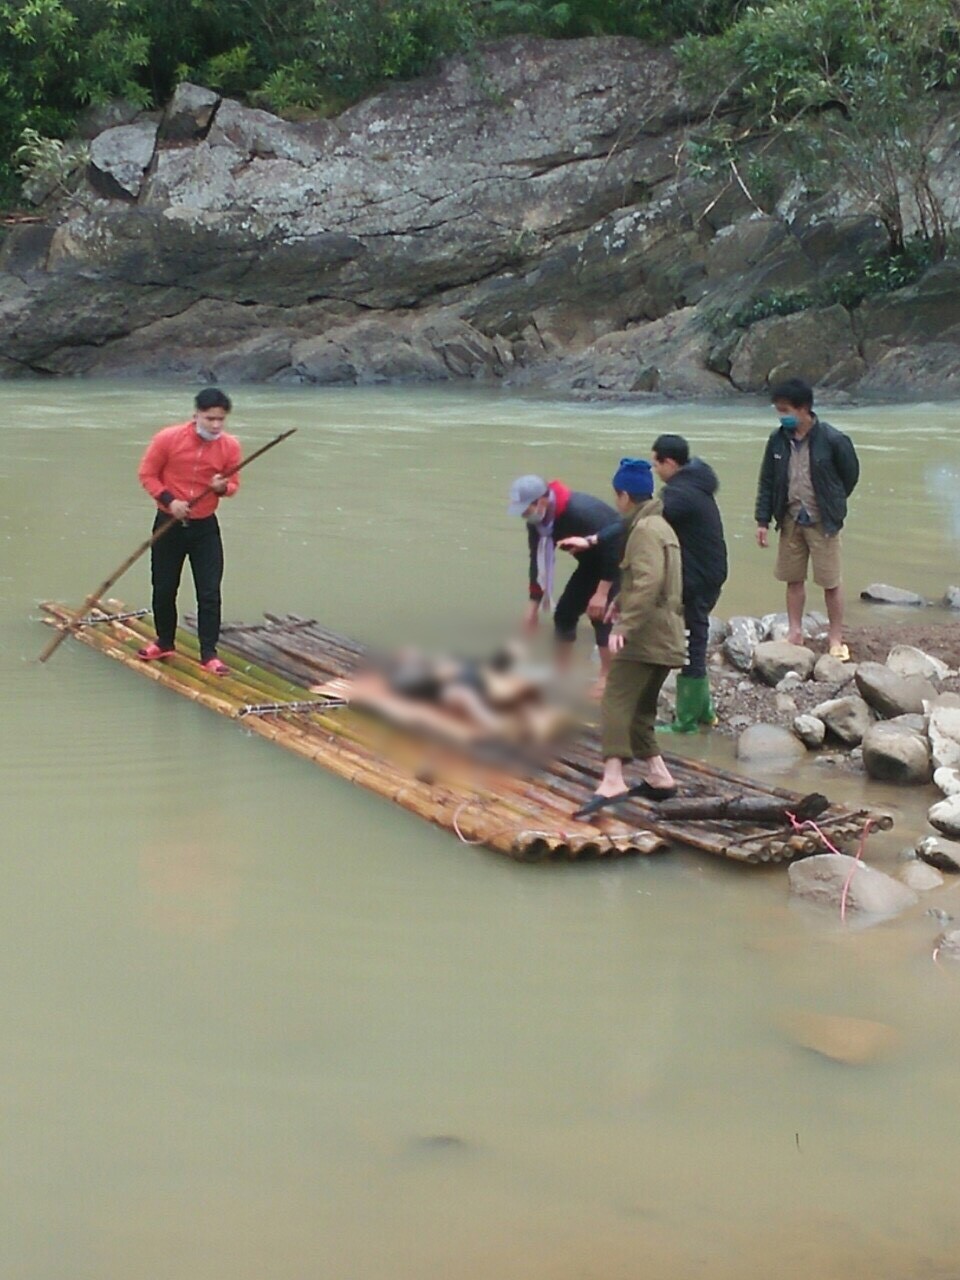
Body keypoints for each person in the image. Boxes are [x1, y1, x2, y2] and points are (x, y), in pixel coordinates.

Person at [559, 434, 728, 733]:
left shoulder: (681, 494)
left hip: (697, 575)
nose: (655, 470)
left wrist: (594, 539)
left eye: (656, 463)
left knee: (691, 637)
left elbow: (639, 520)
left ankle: (687, 721)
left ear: (670, 463)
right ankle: (702, 712)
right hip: (707, 571)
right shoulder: (692, 484)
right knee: (696, 634)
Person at [573, 459, 686, 821]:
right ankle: (658, 775)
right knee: (640, 708)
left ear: (623, 495)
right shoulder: (661, 525)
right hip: (666, 634)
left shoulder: (644, 531)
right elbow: (652, 578)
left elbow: (650, 580)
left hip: (647, 635)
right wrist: (618, 601)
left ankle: (612, 779)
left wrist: (624, 626)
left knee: (616, 700)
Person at [136, 387, 242, 674]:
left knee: (209, 591)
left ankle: (209, 654)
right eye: (210, 419)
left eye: (221, 419)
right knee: (164, 586)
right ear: (195, 415)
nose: (216, 425)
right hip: (168, 524)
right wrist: (170, 501)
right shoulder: (167, 439)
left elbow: (233, 485)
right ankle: (164, 641)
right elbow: (147, 474)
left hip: (205, 527)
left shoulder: (230, 446)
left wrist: (223, 488)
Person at [755, 378, 860, 661]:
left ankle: (836, 637)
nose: (782, 416)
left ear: (804, 409)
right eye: (778, 410)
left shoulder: (833, 439)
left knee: (830, 581)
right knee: (793, 579)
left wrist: (833, 502)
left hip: (823, 521)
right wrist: (762, 521)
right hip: (790, 519)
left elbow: (849, 476)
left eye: (785, 410)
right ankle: (795, 632)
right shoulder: (777, 440)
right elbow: (767, 481)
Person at [507, 474, 621, 695]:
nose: (523, 515)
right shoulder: (538, 522)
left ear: (541, 501)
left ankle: (608, 677)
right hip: (591, 563)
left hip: (617, 562)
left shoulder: (580, 512)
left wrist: (602, 592)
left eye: (525, 509)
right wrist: (532, 607)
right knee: (564, 615)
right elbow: (537, 561)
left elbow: (615, 548)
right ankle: (561, 672)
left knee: (601, 616)